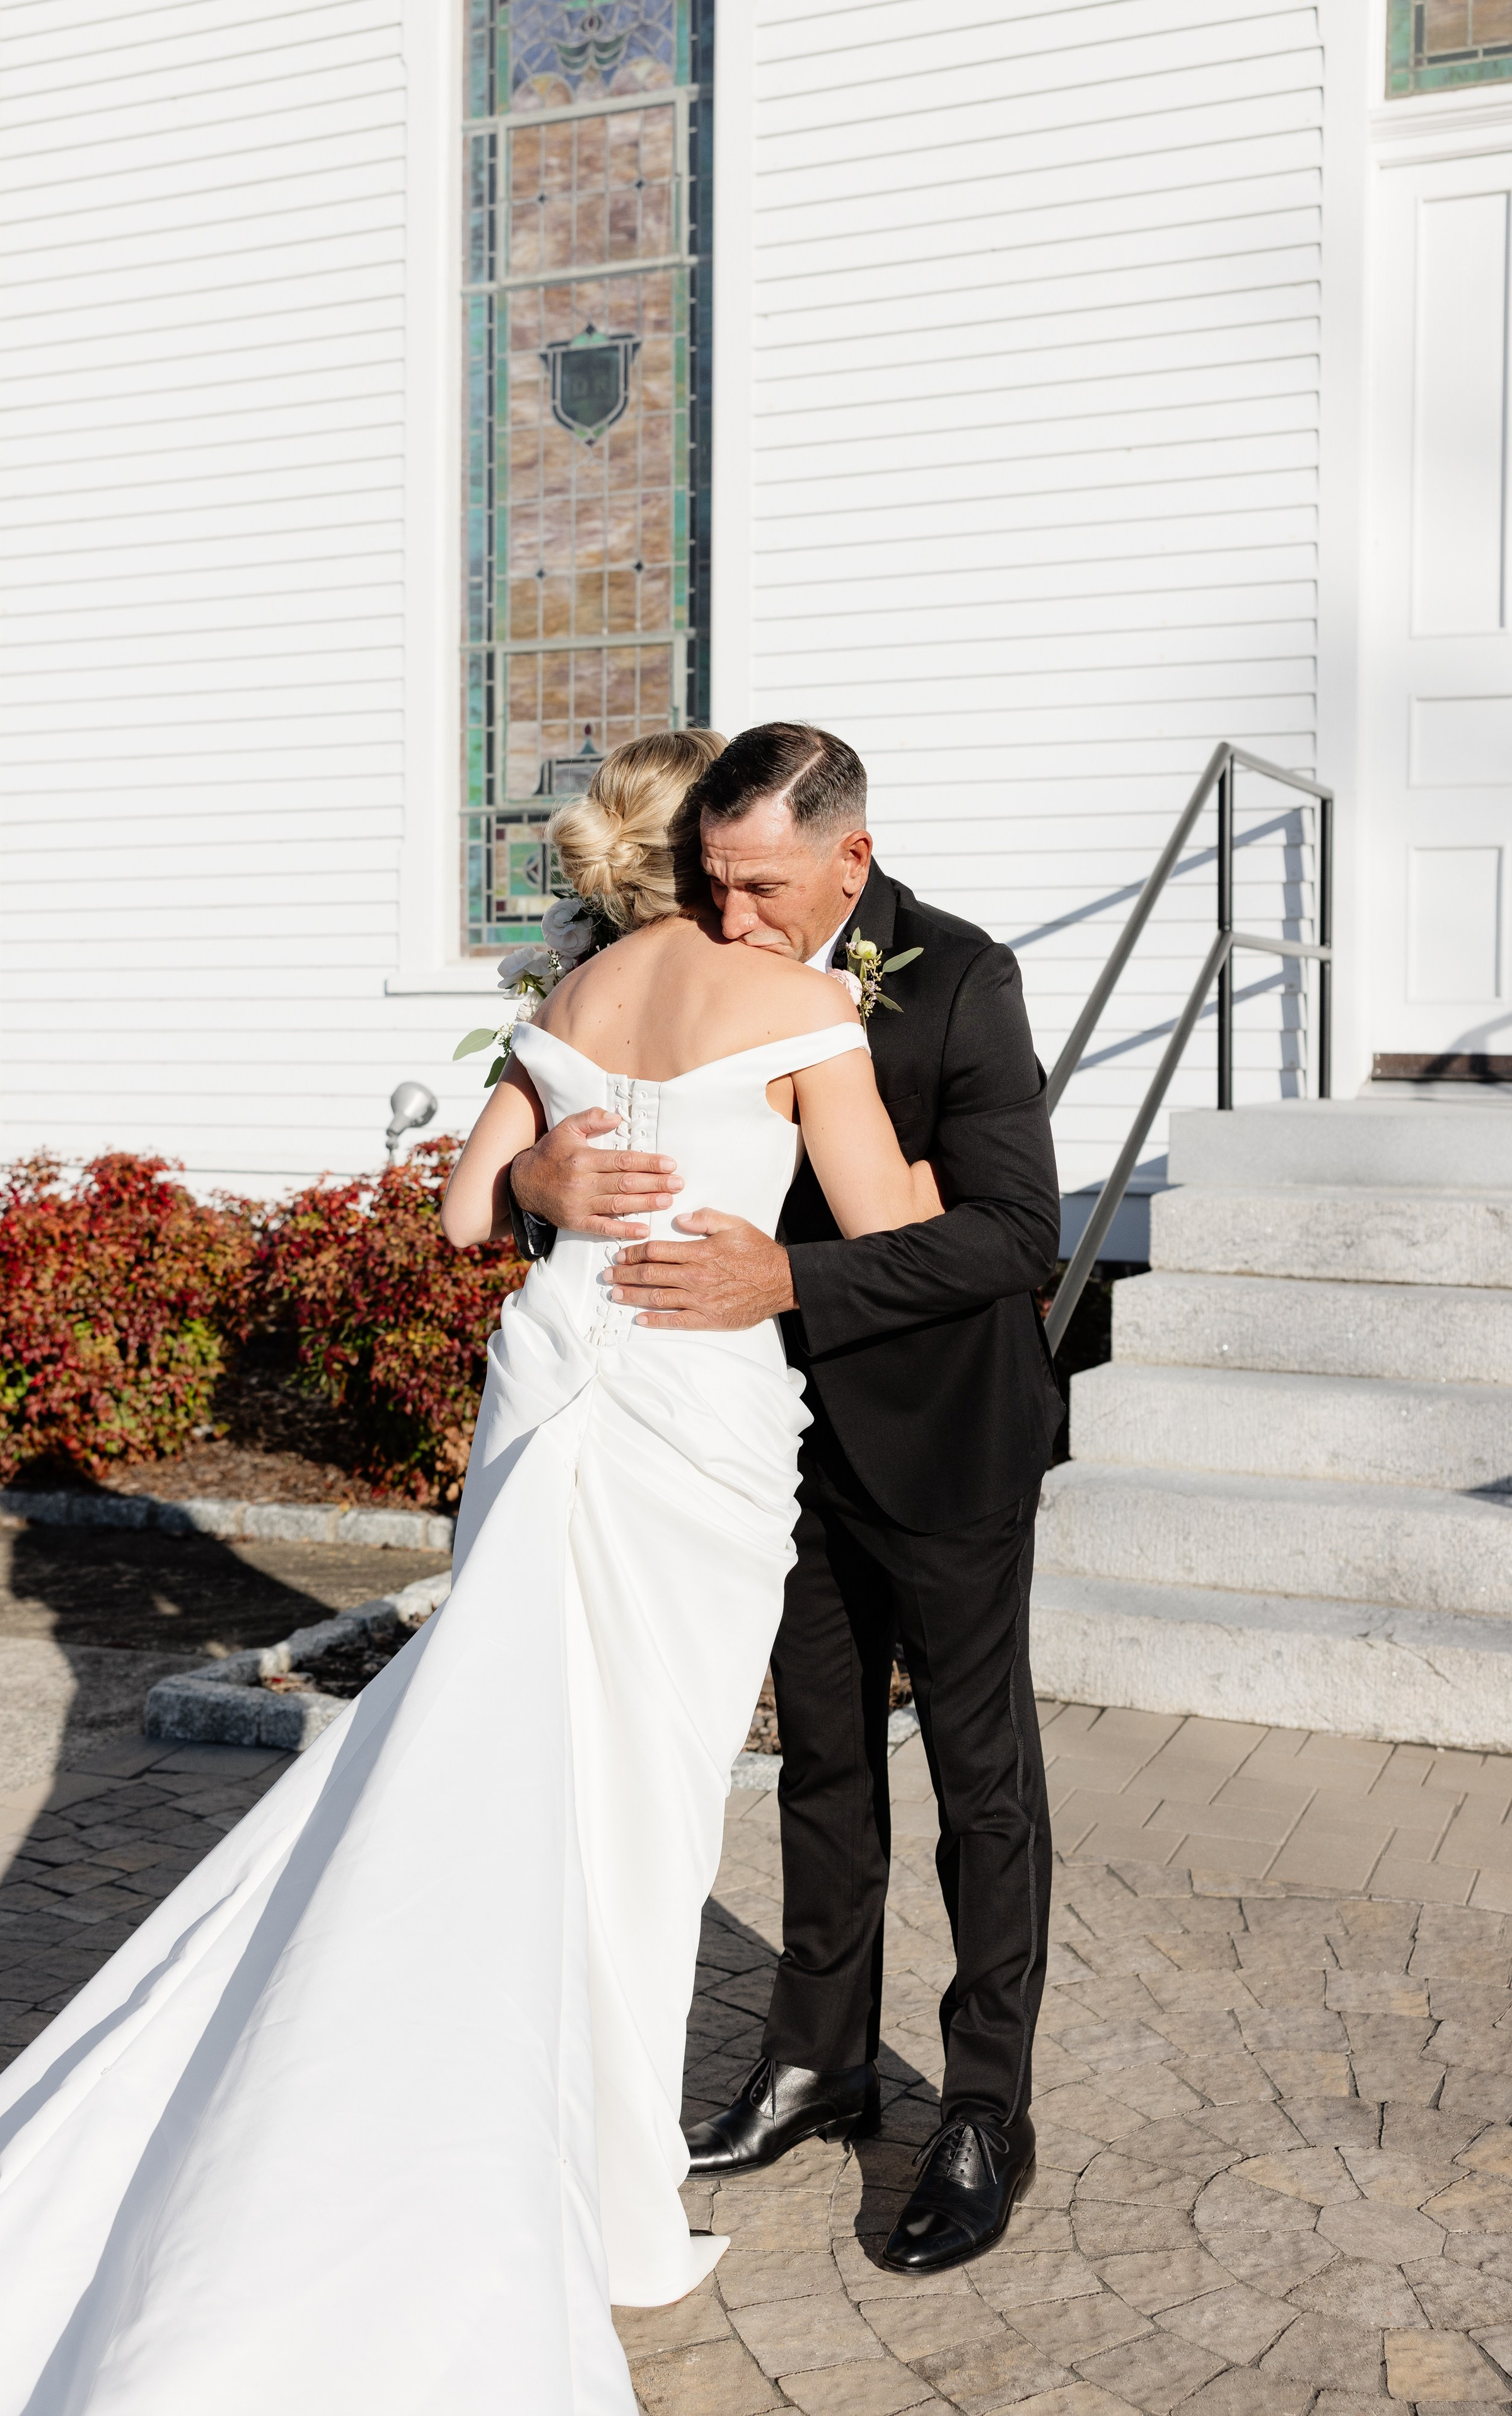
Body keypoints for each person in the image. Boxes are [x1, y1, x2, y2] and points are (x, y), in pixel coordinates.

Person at [0, 728, 941, 2415]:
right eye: (733, 874)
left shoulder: (583, 995)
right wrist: (938, 1186)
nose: (752, 906)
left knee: (509, 1752)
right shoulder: (812, 1012)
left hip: (554, 1380)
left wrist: (545, 1172)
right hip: (693, 1408)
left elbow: (467, 1221)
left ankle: (520, 2135)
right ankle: (599, 2205)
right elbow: (892, 1233)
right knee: (639, 1806)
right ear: (705, 853)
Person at [509, 723, 1064, 2277]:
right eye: (714, 880)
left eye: (763, 888)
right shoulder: (687, 949)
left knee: (978, 1776)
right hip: (763, 1439)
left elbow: (1015, 1232)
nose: (735, 918)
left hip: (944, 1434)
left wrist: (790, 1275)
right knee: (819, 1761)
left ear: (850, 859)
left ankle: (980, 2106)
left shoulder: (959, 978)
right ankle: (816, 2056)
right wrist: (538, 1183)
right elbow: (590, 1141)